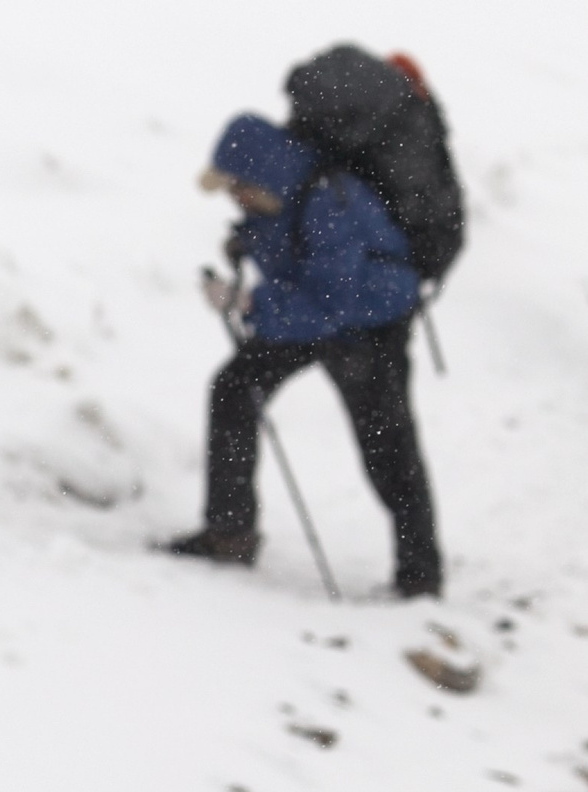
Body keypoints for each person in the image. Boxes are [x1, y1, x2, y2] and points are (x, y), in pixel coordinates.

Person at [167, 112, 441, 597]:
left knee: (387, 448)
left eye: (236, 187)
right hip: (310, 313)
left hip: (370, 324)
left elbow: (330, 305)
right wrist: (244, 243)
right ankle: (229, 534)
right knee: (234, 391)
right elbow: (293, 259)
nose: (233, 197)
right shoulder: (274, 195)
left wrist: (245, 303)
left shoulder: (332, 201)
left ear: (260, 174)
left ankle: (420, 577)